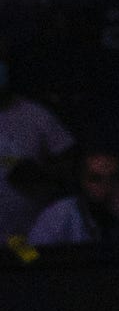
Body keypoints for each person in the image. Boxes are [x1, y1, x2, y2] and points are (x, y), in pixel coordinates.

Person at [27, 148, 119, 246]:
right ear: (81, 183)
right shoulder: (61, 212)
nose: (107, 186)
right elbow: (29, 254)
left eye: (114, 178)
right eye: (95, 179)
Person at [0, 56, 74, 238]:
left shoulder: (35, 114)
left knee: (28, 261)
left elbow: (71, 165)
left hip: (22, 238)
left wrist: (40, 174)